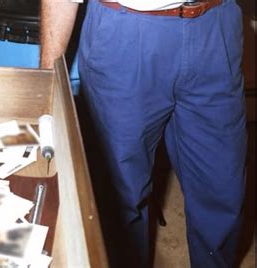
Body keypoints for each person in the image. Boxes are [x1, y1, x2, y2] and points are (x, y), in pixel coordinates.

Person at [40, 0, 247, 267]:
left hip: (216, 25)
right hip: (125, 33)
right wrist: (47, 80)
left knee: (222, 187)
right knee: (120, 196)